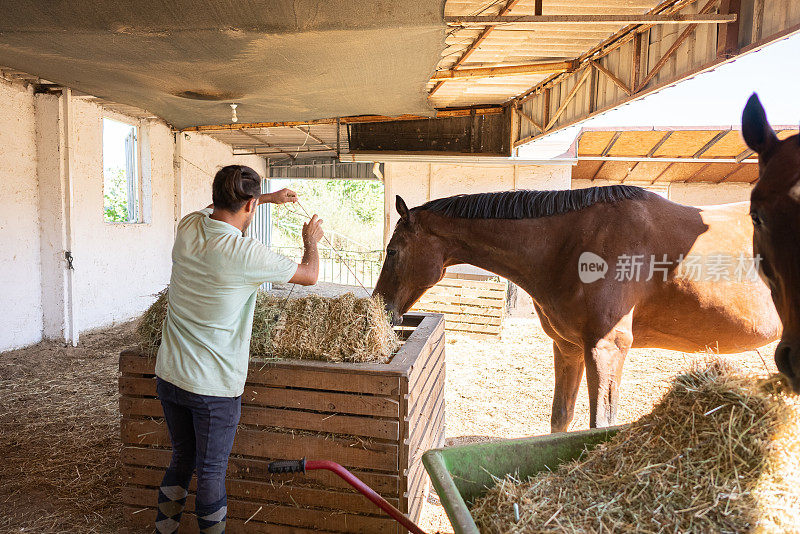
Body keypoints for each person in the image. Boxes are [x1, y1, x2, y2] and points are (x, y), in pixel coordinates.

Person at [153, 165, 323, 533]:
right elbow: (309, 275)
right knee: (211, 473)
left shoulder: (187, 226)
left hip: (169, 375)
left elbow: (216, 208)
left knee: (181, 458)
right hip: (213, 387)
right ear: (248, 205)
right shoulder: (246, 253)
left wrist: (264, 199)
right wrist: (311, 240)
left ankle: (163, 531)